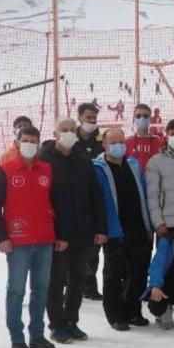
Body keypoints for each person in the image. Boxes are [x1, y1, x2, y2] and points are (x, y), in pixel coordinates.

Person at [0, 125, 59, 348]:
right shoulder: (6, 169)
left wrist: (58, 235)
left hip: (45, 240)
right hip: (18, 241)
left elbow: (56, 202)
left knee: (40, 290)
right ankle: (17, 338)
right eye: (25, 140)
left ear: (39, 144)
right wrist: (2, 237)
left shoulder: (47, 169)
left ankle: (37, 335)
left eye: (33, 141)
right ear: (17, 143)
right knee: (16, 291)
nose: (30, 144)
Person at [40, 117, 107, 343]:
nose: (68, 133)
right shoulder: (44, 159)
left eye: (71, 130)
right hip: (57, 232)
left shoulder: (83, 160)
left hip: (83, 231)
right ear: (55, 133)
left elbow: (95, 195)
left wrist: (100, 227)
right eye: (63, 130)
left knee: (78, 279)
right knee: (56, 281)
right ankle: (57, 324)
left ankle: (71, 321)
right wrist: (56, 233)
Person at [93, 127, 153, 332]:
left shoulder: (134, 165)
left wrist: (148, 224)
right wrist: (100, 228)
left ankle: (133, 311)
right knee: (114, 274)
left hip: (138, 227)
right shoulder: (98, 168)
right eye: (113, 142)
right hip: (114, 230)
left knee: (138, 272)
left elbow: (143, 193)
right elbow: (95, 201)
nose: (118, 146)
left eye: (121, 142)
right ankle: (116, 315)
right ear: (104, 145)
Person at [75, 103, 104, 300]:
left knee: (93, 247)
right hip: (74, 200)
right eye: (88, 117)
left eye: (94, 118)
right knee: (74, 247)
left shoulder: (102, 142)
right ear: (80, 117)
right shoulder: (71, 140)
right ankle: (72, 284)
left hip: (95, 200)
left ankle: (89, 286)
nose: (92, 121)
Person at [127, 103, 164, 171]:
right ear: (134, 119)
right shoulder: (127, 142)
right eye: (138, 116)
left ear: (150, 119)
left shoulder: (159, 142)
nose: (142, 118)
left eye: (145, 116)